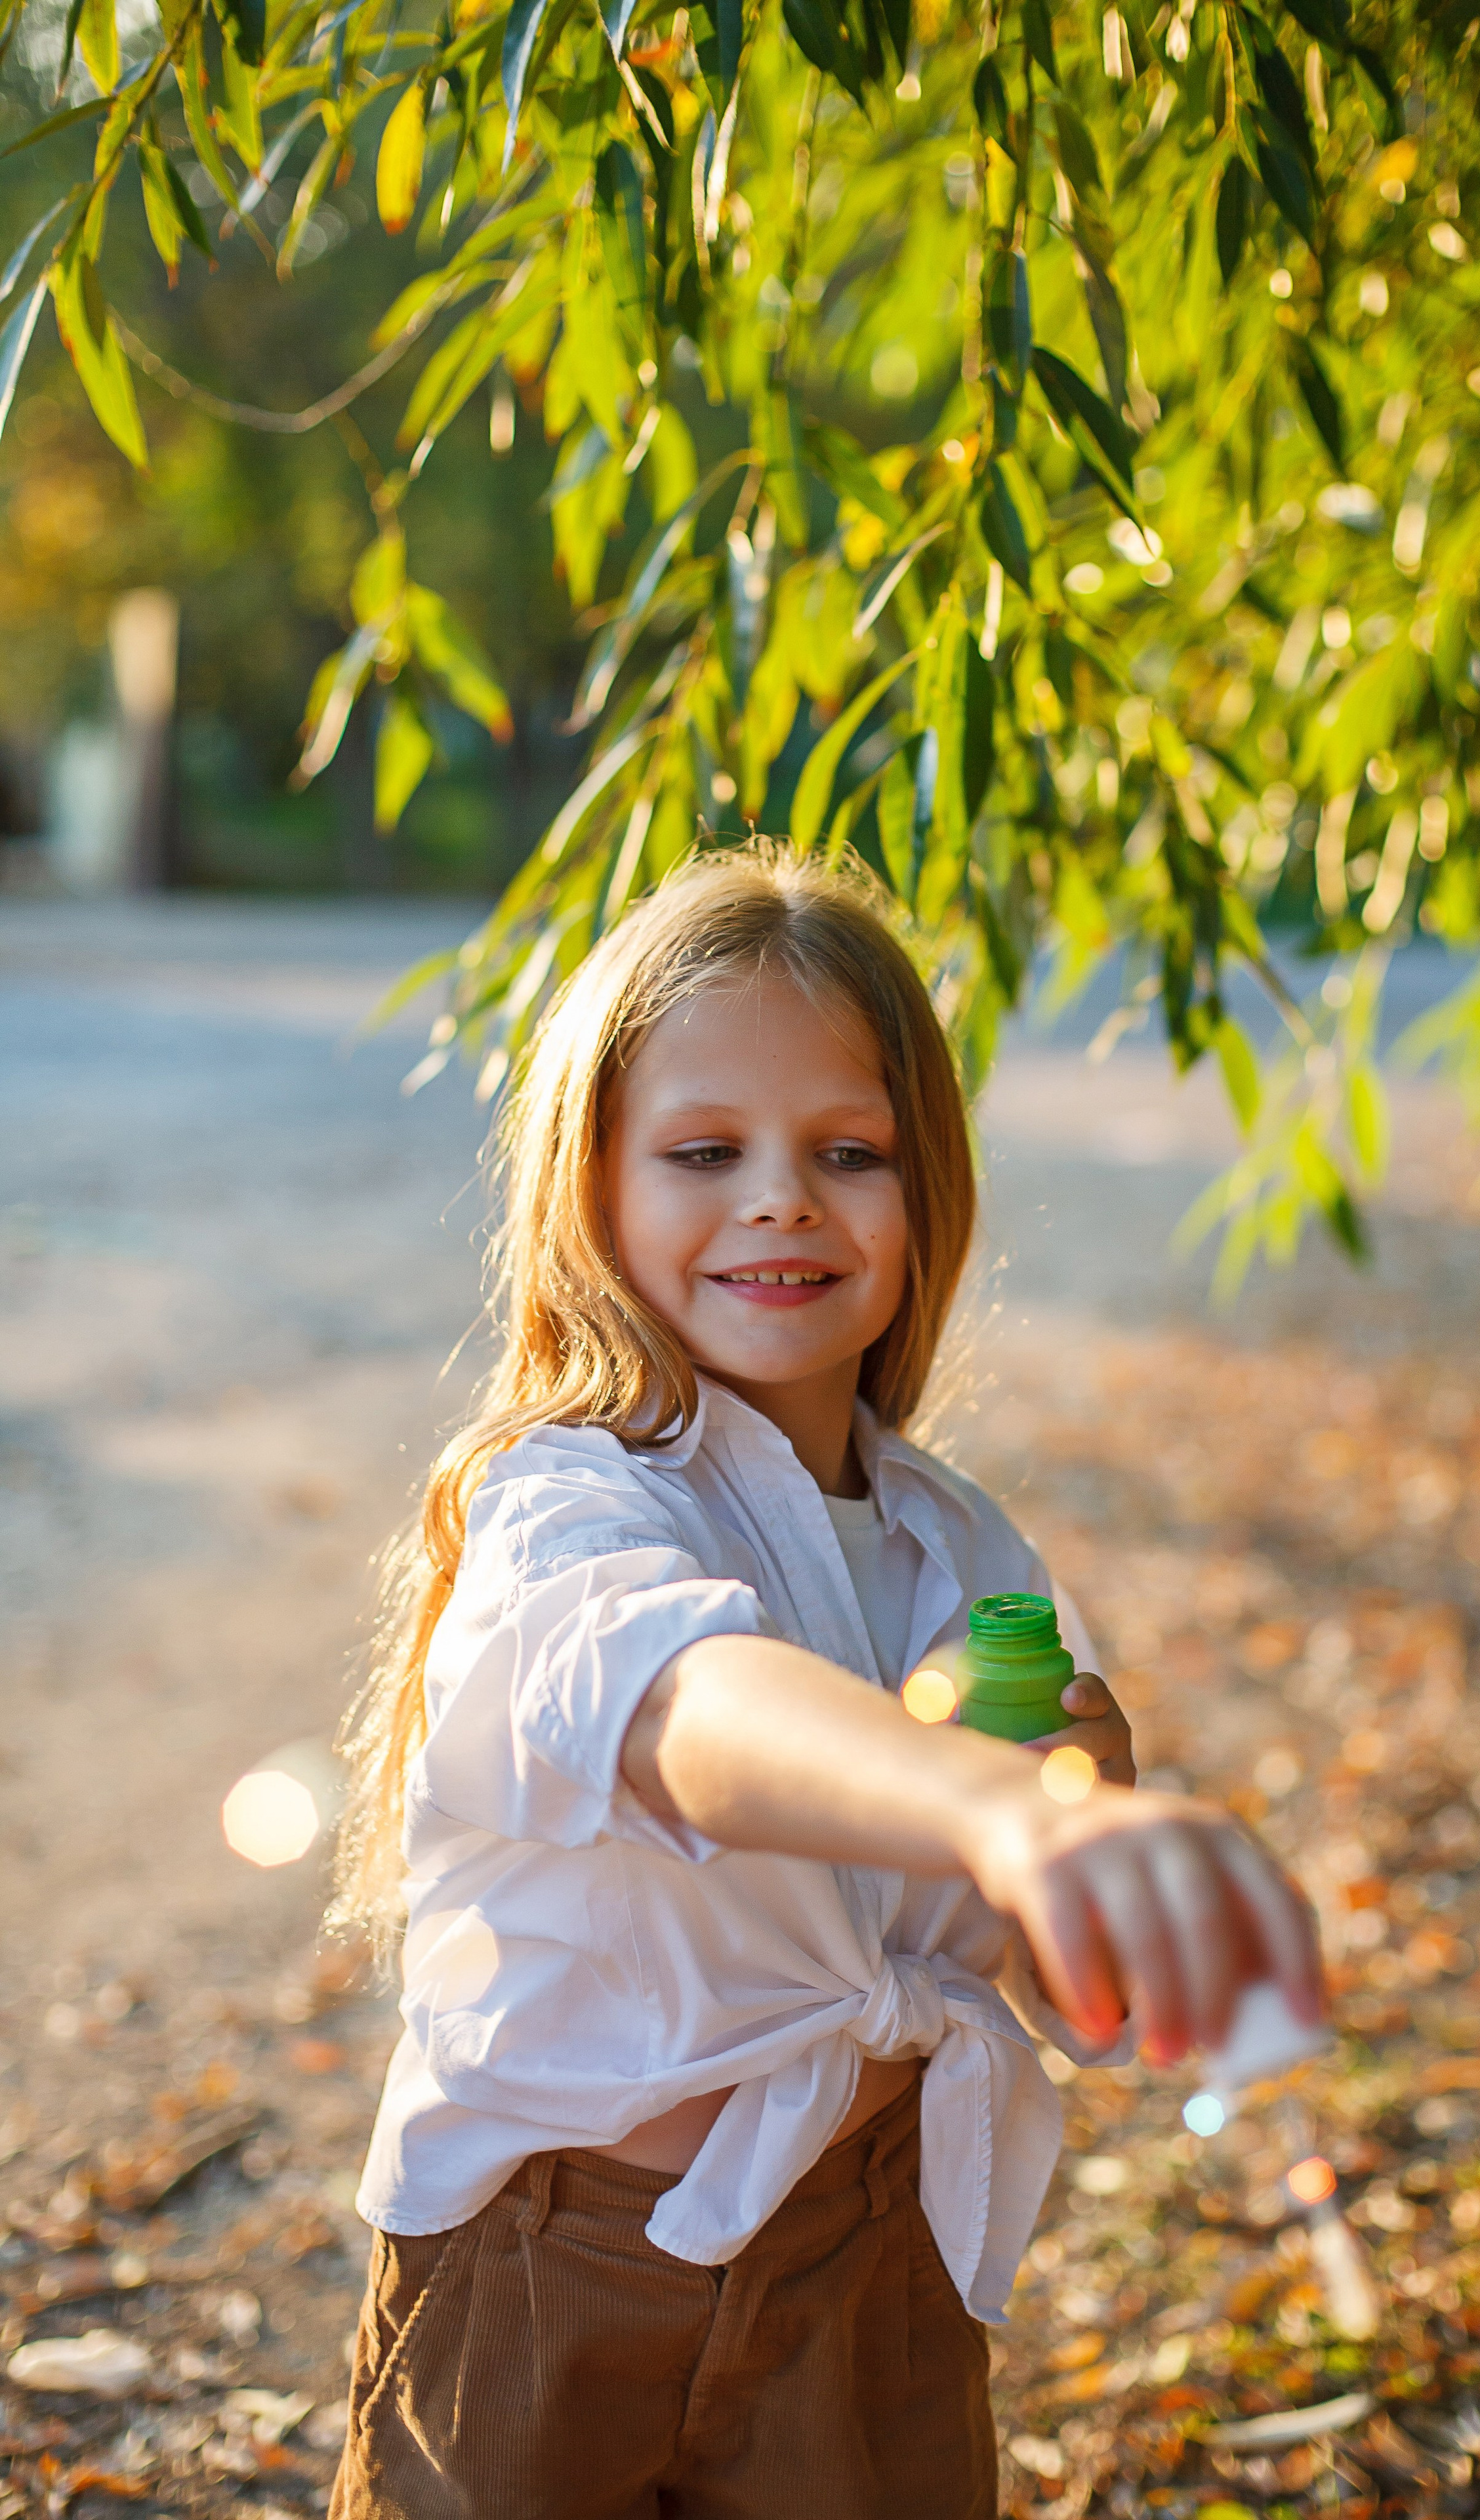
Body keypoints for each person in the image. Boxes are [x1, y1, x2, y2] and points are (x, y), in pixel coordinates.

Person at [329, 844, 1322, 2520]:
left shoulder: (960, 1550)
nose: (780, 1199)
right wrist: (993, 1808)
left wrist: (1085, 1870)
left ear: (923, 1192)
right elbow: (685, 1706)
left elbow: (1017, 1970)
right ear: (590, 1192)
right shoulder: (569, 1497)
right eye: (704, 1152)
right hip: (553, 2269)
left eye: (846, 1152)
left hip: (867, 2260)